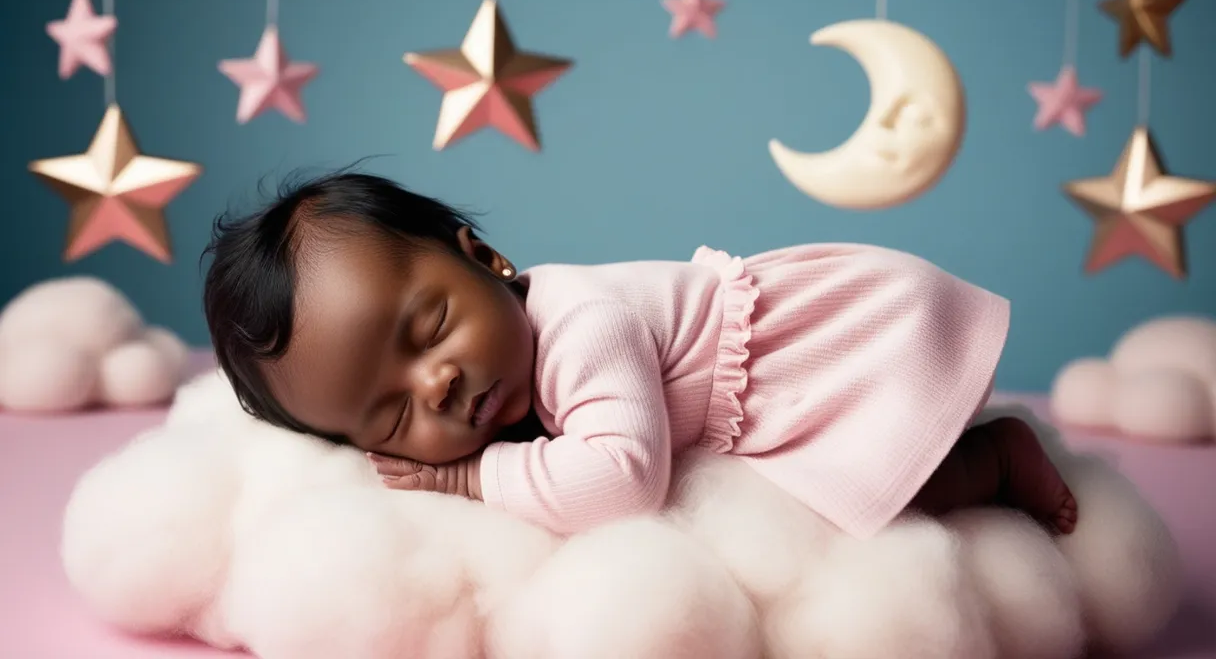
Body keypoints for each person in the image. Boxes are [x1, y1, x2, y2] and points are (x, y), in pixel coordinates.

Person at [202, 171, 1078, 539]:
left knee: (886, 505)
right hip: (784, 369)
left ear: (485, 262)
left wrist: (467, 480)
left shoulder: (585, 325)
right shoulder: (509, 371)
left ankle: (994, 459)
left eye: (431, 329)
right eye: (390, 416)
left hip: (829, 348)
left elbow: (621, 480)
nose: (436, 385)